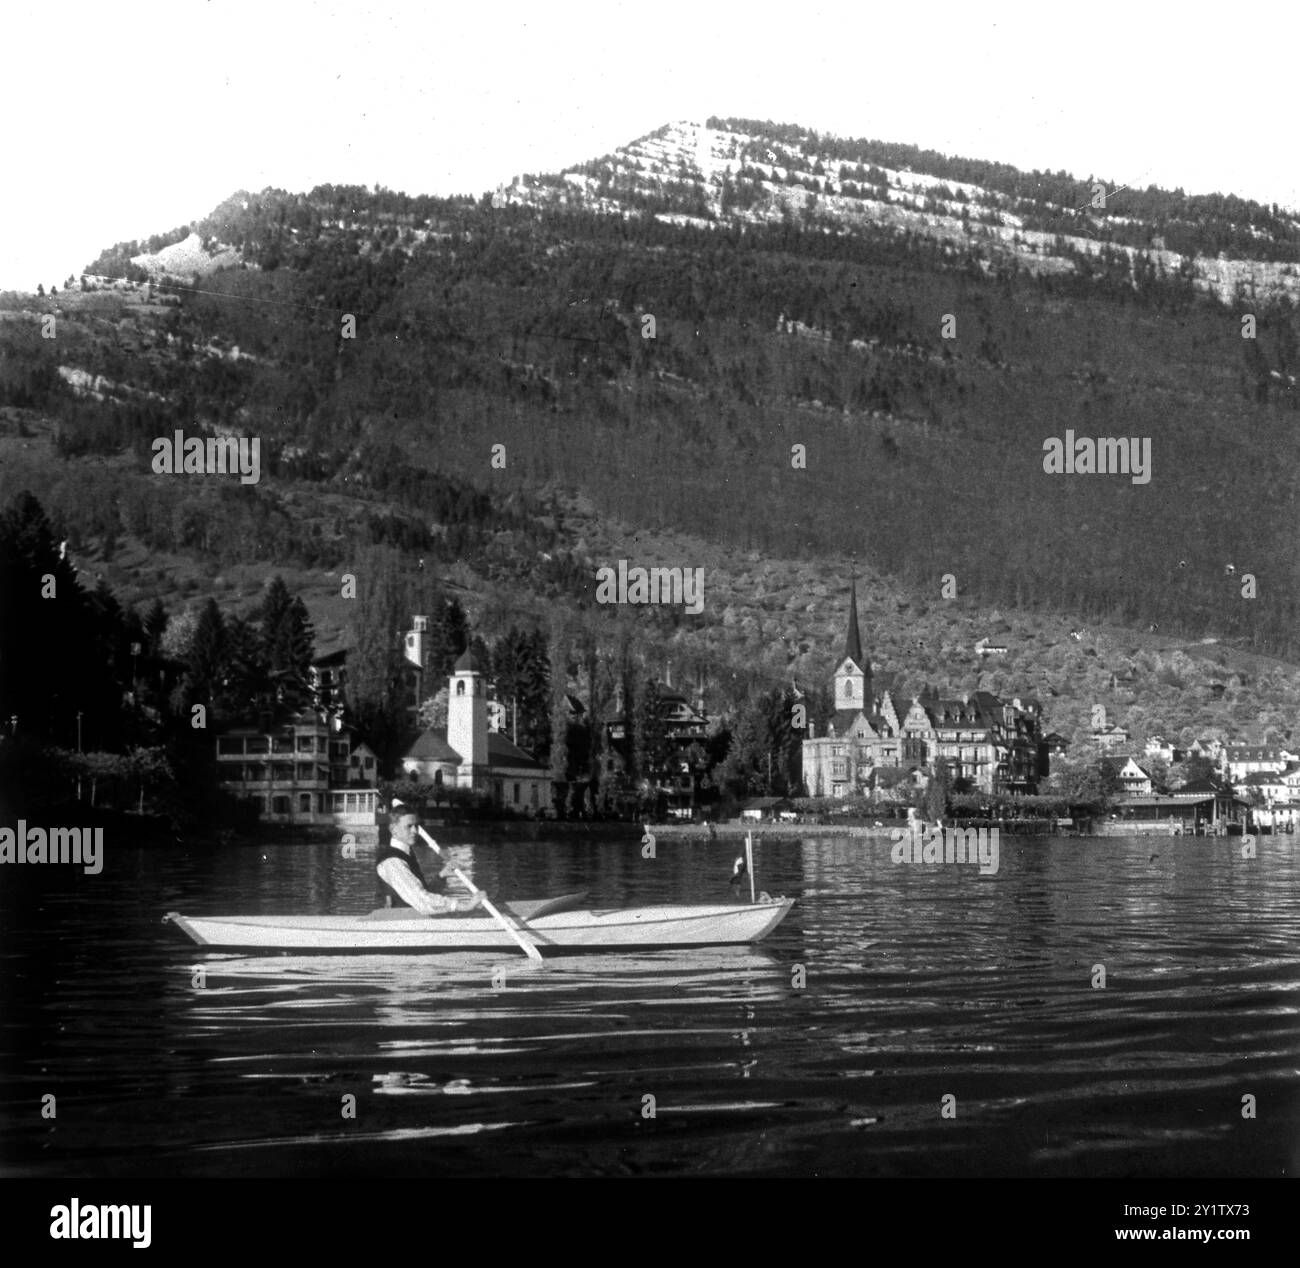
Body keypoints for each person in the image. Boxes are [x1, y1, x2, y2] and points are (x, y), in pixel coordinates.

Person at [376, 807, 486, 915]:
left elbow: (424, 893)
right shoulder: (392, 861)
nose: (415, 831)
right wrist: (463, 906)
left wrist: (442, 875)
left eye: (416, 826)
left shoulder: (406, 853)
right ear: (393, 829)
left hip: (412, 919)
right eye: (409, 826)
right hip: (399, 923)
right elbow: (421, 901)